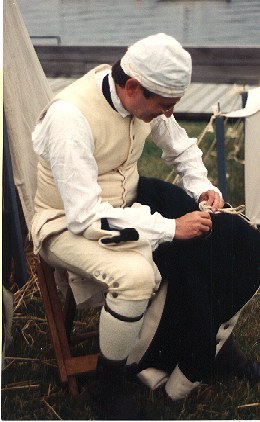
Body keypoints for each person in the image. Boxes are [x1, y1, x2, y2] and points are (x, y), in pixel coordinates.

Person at [31, 33, 259, 419]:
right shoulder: (70, 116)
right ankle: (109, 385)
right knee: (136, 275)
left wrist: (202, 187)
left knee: (230, 238)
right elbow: (84, 217)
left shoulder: (138, 98)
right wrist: (170, 228)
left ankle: (213, 346)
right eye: (165, 106)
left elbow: (180, 148)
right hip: (63, 225)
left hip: (128, 207)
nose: (169, 114)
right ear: (134, 86)